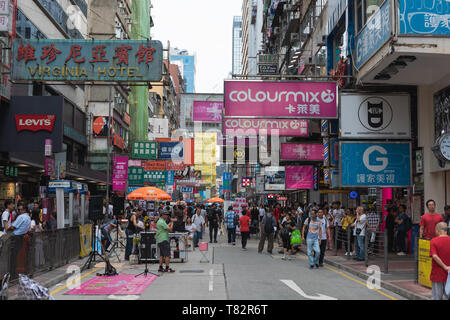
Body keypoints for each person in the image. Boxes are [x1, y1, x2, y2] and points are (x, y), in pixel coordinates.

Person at [7, 203, 31, 277]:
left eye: (21, 209)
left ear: (24, 210)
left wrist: (7, 228)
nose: (20, 211)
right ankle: (13, 272)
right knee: (16, 255)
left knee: (12, 256)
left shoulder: (21, 217)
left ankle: (11, 273)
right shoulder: (28, 217)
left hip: (16, 237)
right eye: (19, 210)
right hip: (21, 237)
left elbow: (13, 227)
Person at [429, 222, 450, 300]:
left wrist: (445, 267)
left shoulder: (434, 241)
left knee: (437, 297)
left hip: (437, 273)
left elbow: (434, 255)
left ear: (438, 230)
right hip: (449, 274)